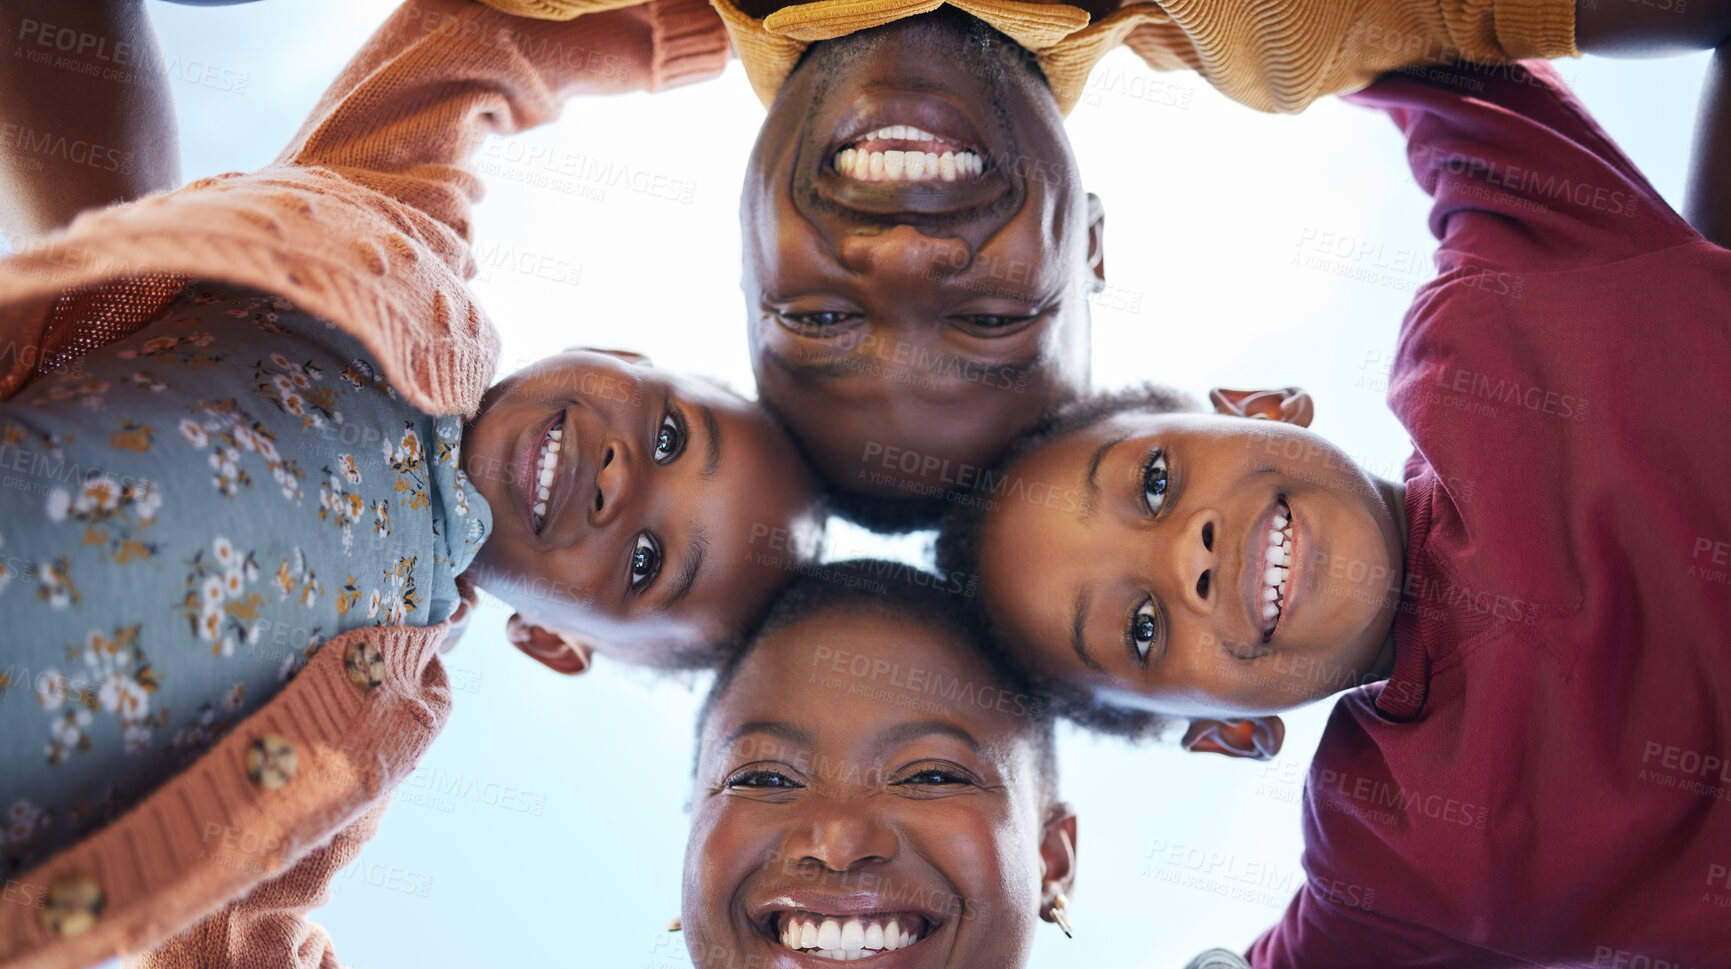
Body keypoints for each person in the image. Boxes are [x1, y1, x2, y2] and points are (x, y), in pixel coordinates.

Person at [165, 562, 1731, 969]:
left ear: (1051, 849)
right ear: (689, 850)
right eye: (764, 774)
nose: (835, 831)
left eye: (927, 769)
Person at [0, 0, 822, 969]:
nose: (623, 480)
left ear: (555, 643)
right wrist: (727, 24)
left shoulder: (378, 724)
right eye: (667, 436)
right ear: (619, 356)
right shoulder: (406, 249)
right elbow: (476, 43)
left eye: (649, 560)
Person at [934, 23, 1731, 969]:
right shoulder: (1393, 865)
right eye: (1141, 627)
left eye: (1152, 484)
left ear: (1257, 405)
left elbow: (1400, 36)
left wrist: (1144, 20)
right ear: (1227, 731)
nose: (1189, 551)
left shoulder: (1493, 309)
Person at [486, 0, 1584, 527]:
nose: (909, 254)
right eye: (993, 320)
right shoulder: (1281, 27)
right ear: (1093, 244)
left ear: (742, 252)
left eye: (818, 320)